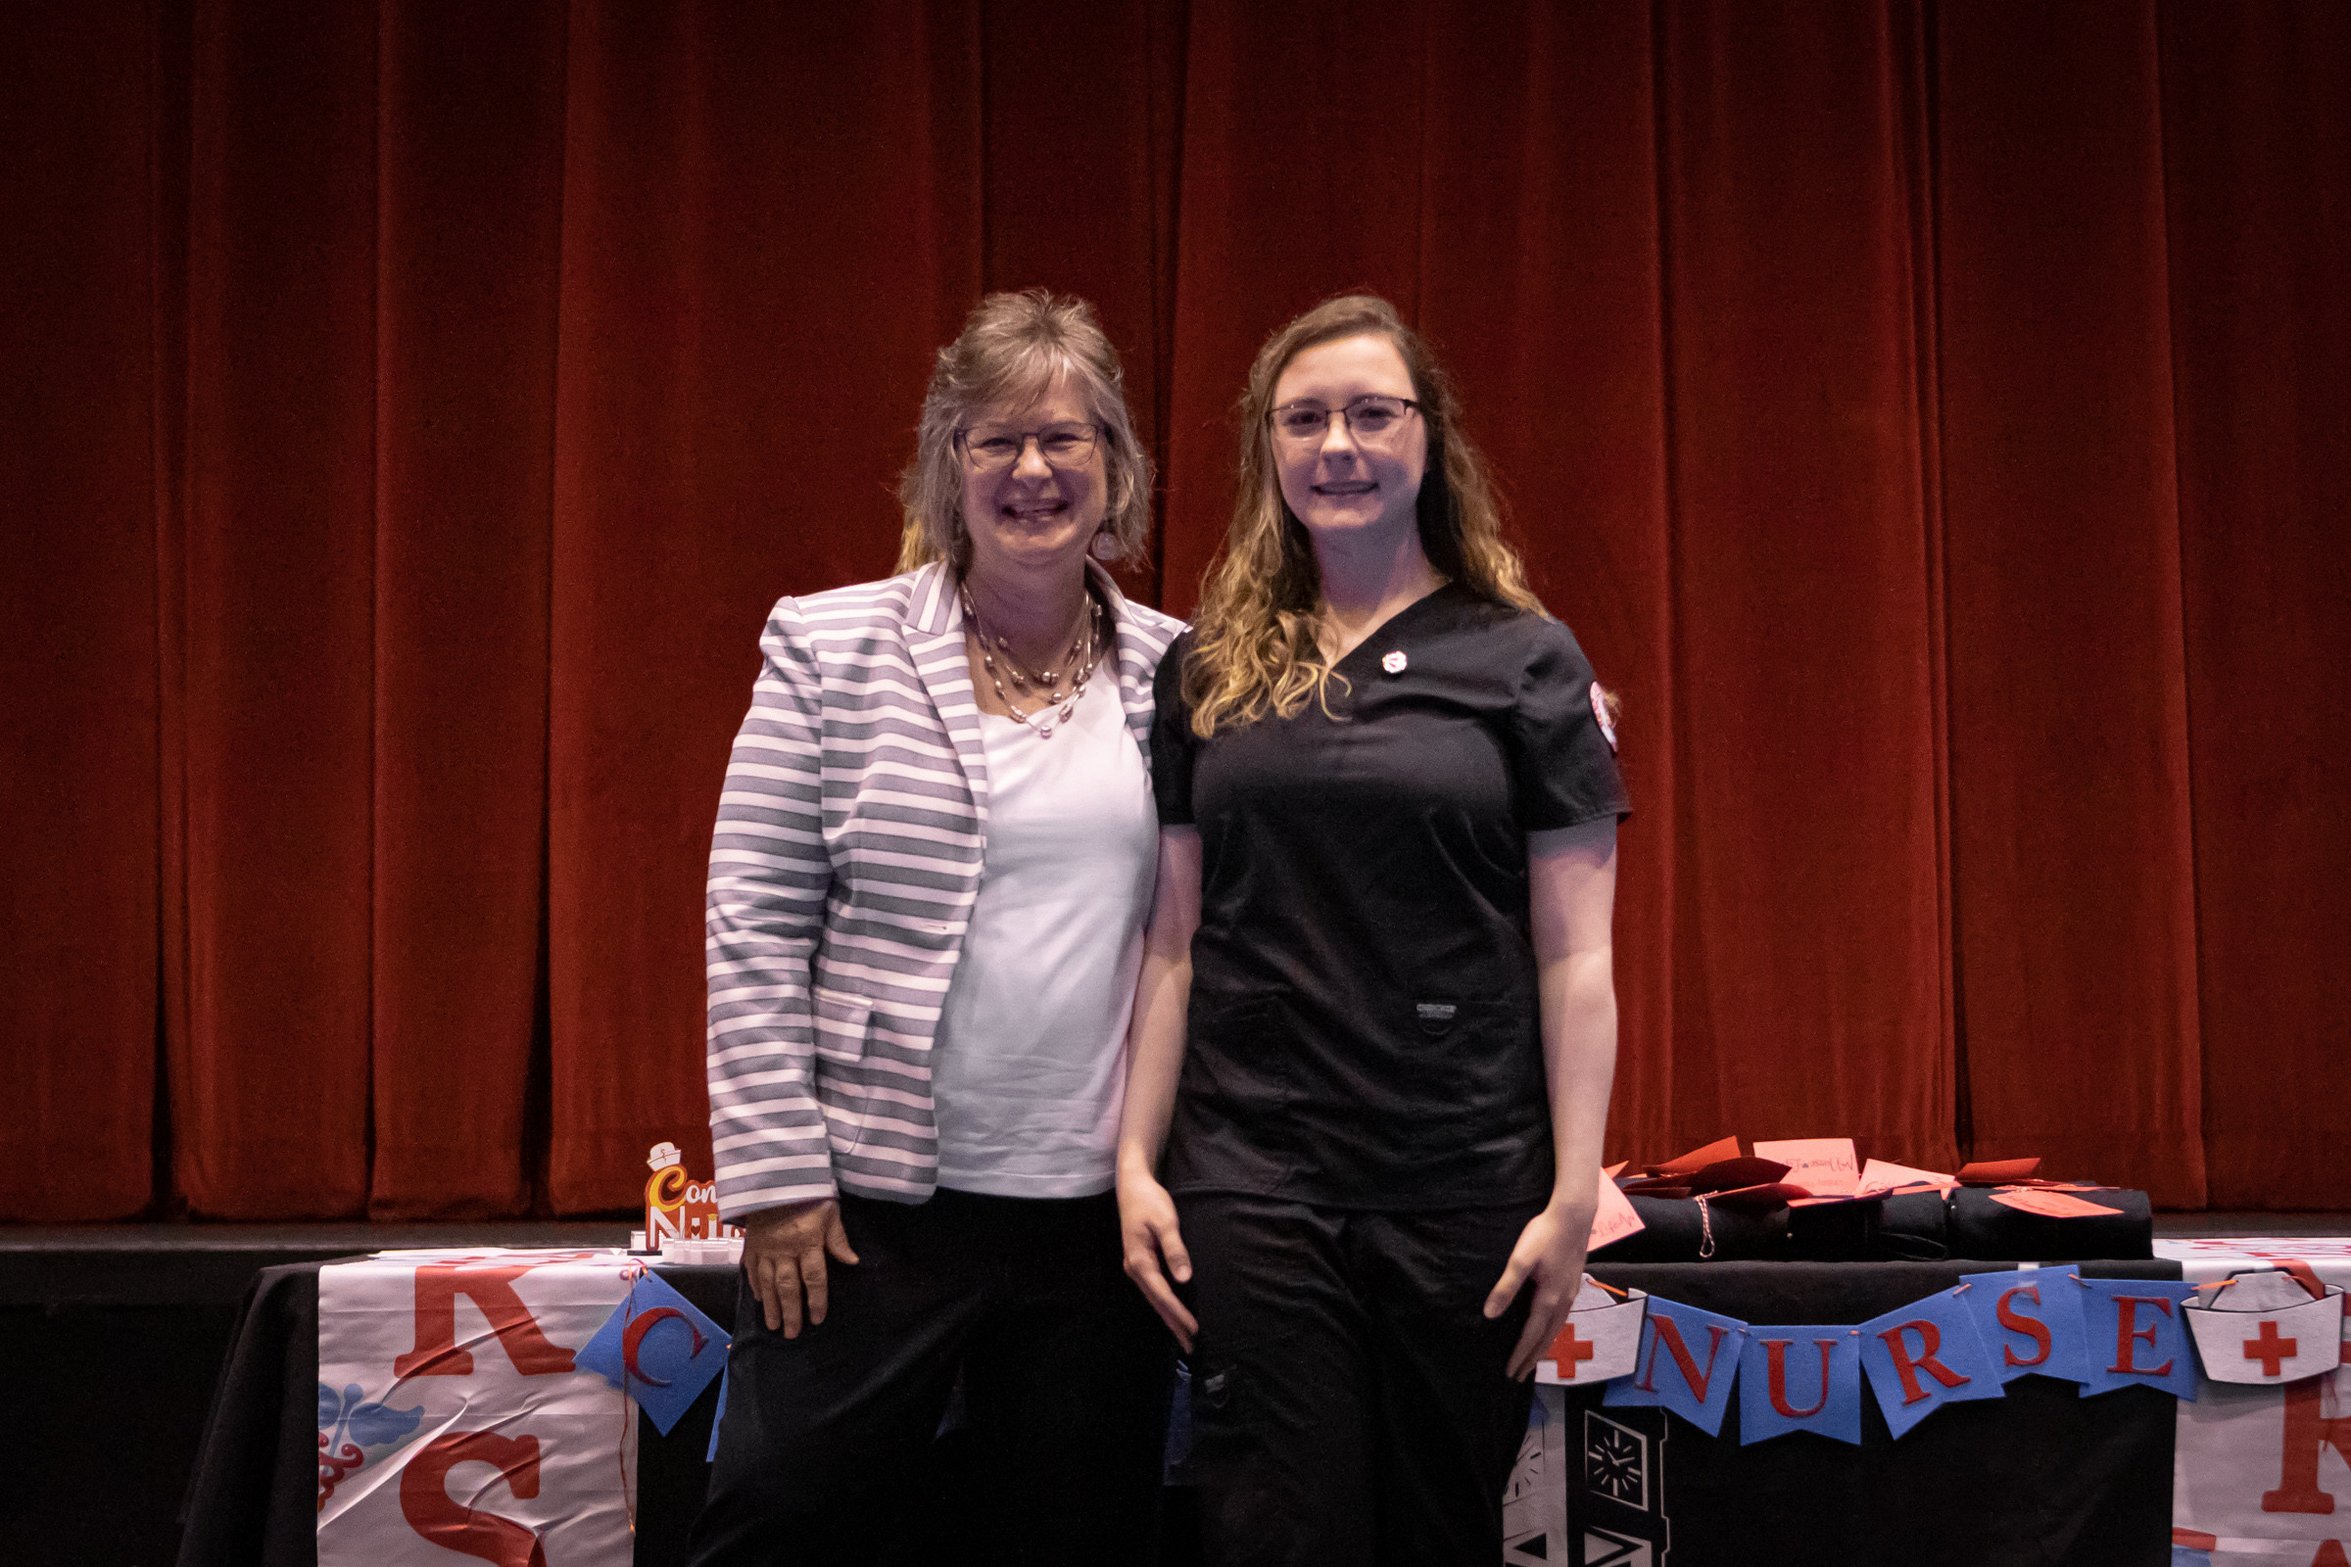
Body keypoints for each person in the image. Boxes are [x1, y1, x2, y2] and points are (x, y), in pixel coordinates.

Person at [1117, 294, 1629, 1564]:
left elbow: (1576, 957)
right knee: (1280, 1533)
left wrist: (1572, 1195)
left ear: (1426, 439)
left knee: (1434, 1531)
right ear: (1269, 453)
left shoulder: (1526, 661)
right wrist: (1135, 1161)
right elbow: (1170, 943)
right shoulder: (1208, 669)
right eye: (1304, 420)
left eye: (1368, 413)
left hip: (1463, 1181)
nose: (1336, 444)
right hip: (1253, 1179)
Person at [692, 290, 1184, 1566]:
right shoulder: (829, 643)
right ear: (947, 465)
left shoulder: (1183, 673)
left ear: (1114, 468)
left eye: (1065, 440)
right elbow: (752, 916)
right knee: (779, 1524)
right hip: (863, 1205)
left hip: (1095, 1220)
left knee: (1070, 1539)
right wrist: (777, 1176)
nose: (1032, 471)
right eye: (995, 441)